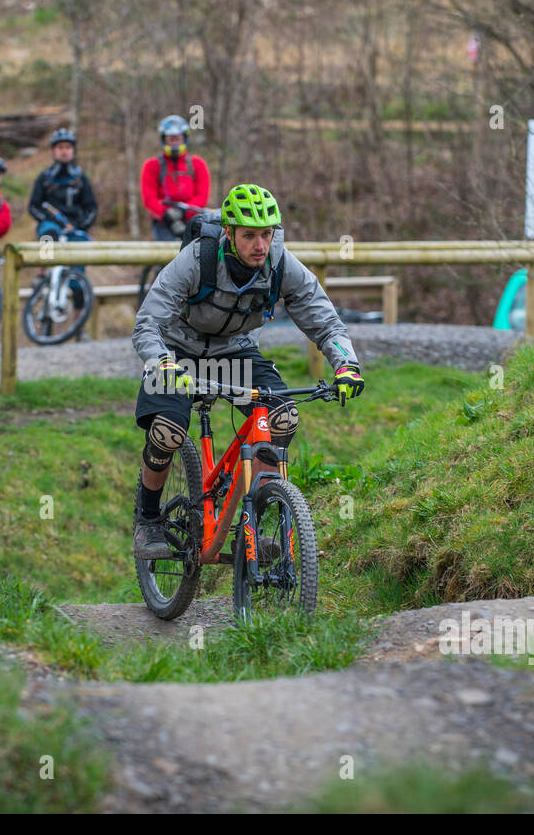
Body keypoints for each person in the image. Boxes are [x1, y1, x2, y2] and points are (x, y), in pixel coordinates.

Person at [131, 183, 365, 559]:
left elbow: (326, 321)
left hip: (234, 353)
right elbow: (147, 323)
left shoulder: (280, 263)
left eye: (267, 234)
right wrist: (162, 361)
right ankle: (148, 520)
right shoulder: (198, 259)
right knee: (168, 431)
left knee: (282, 417)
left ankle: (250, 520)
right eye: (250, 235)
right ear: (229, 232)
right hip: (176, 353)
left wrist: (346, 365)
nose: (260, 244)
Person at [28, 127, 97, 326]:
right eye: (60, 147)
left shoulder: (81, 178)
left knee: (78, 281)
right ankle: (42, 272)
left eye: (67, 147)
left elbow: (91, 207)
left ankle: (78, 326)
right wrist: (45, 219)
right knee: (47, 233)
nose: (64, 151)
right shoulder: (45, 177)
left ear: (73, 150)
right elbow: (33, 205)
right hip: (52, 224)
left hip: (75, 228)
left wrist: (82, 224)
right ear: (53, 150)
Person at [141, 114, 210, 241]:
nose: (174, 143)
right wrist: (166, 214)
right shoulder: (152, 166)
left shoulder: (198, 165)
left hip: (192, 219)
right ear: (164, 140)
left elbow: (202, 196)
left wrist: (183, 211)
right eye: (171, 139)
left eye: (177, 139)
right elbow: (149, 198)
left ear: (184, 139)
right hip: (163, 222)